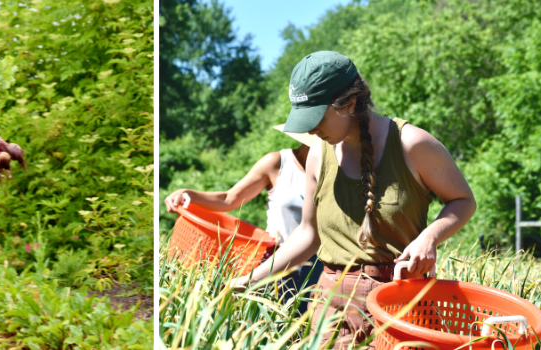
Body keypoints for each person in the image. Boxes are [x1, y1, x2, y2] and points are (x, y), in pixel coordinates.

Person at [230, 51, 476, 349]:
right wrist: (250, 279)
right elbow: (308, 235)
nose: (310, 129)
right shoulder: (318, 156)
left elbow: (463, 200)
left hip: (400, 302)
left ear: (350, 103)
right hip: (331, 309)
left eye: (316, 117)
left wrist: (430, 238)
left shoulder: (412, 144)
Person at [164, 126, 324, 315]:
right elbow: (229, 198)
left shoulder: (335, 171)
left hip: (317, 268)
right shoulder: (278, 163)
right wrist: (188, 194)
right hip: (273, 263)